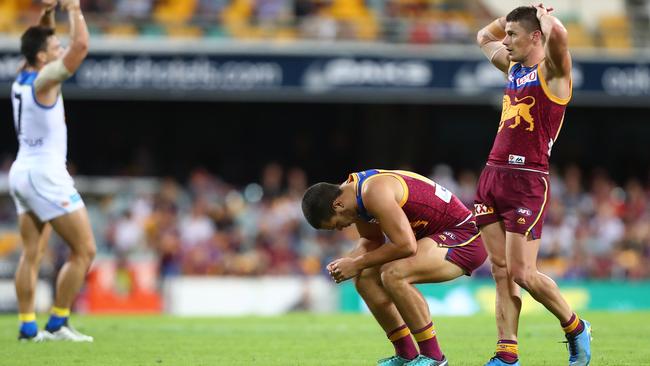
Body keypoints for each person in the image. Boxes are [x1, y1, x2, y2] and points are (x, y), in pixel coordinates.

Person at [474, 4, 591, 365]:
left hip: (528, 181)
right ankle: (506, 354)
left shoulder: (554, 75)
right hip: (492, 175)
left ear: (535, 36)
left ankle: (575, 328)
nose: (505, 41)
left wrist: (544, 16)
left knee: (523, 273)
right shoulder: (513, 66)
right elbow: (482, 36)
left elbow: (561, 38)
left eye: (512, 35)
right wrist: (508, 18)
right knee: (501, 270)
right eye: (506, 35)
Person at [302, 169, 488, 366]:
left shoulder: (373, 192)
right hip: (433, 238)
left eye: (336, 224)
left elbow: (406, 245)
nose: (341, 228)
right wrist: (346, 264)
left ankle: (434, 357)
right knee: (363, 276)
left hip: (465, 237)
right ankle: (406, 354)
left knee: (393, 274)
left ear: (338, 204)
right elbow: (371, 240)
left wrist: (356, 263)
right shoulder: (354, 198)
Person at [10, 0, 94, 342]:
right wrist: (73, 9)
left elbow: (43, 40)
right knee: (85, 251)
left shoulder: (23, 72)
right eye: (54, 47)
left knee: (32, 254)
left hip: (22, 171)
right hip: (46, 174)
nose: (59, 49)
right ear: (43, 58)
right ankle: (58, 322)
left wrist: (47, 12)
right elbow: (81, 46)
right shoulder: (46, 80)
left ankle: (29, 327)